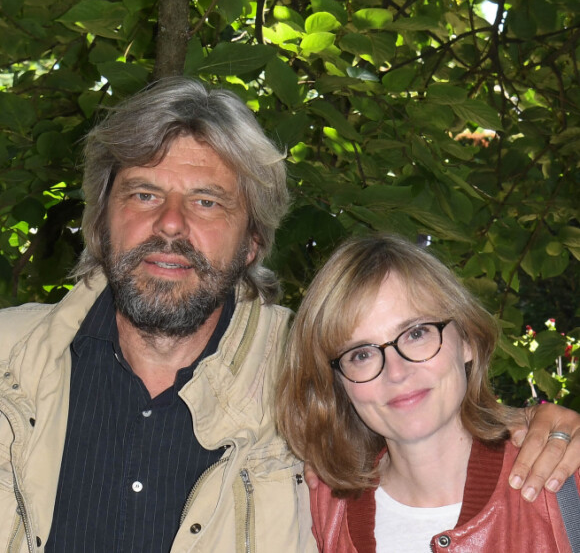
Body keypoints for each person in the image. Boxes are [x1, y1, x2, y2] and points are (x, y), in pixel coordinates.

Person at [0, 79, 576, 553]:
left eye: (207, 201)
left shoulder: (313, 375)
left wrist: (537, 427)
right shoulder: (9, 360)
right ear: (101, 219)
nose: (171, 225)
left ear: (253, 241)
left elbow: (419, 411)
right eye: (144, 195)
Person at [277, 233, 580, 552]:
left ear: (467, 340)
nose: (396, 372)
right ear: (338, 382)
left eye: (416, 333)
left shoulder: (564, 483)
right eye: (361, 354)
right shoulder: (318, 510)